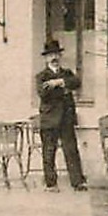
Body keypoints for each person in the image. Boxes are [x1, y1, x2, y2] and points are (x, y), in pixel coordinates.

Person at [35, 37, 87, 193]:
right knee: (49, 151)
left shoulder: (66, 73)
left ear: (60, 56)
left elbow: (77, 82)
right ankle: (51, 184)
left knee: (71, 149)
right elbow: (43, 93)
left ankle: (77, 182)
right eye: (51, 55)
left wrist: (58, 83)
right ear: (46, 58)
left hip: (66, 118)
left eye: (57, 54)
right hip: (49, 119)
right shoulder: (41, 76)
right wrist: (63, 88)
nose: (54, 58)